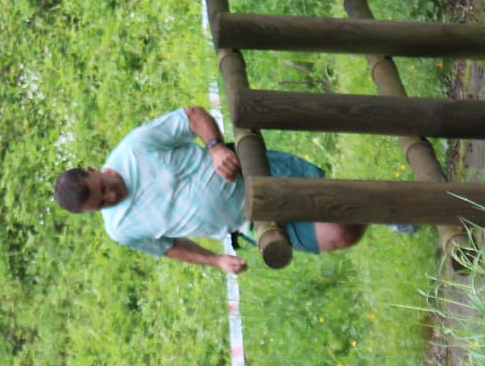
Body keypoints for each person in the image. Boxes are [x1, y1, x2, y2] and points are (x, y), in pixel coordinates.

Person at [54, 106, 409, 275]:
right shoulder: (121, 229)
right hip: (249, 222)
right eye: (103, 204)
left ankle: (395, 203)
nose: (112, 198)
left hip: (255, 173)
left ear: (92, 171)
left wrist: (214, 146)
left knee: (334, 201)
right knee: (339, 233)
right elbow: (168, 248)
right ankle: (382, 207)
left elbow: (192, 115)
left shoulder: (135, 147)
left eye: (104, 189)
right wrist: (214, 259)